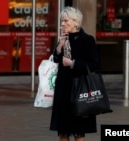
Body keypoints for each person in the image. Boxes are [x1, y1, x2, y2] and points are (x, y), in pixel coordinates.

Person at [50, 6, 99, 141]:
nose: (62, 24)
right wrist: (59, 45)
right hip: (63, 90)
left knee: (79, 131)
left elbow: (94, 64)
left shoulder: (87, 40)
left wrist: (73, 64)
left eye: (66, 21)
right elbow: (55, 59)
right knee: (63, 132)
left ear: (76, 22)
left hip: (80, 89)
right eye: (62, 21)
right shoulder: (64, 39)